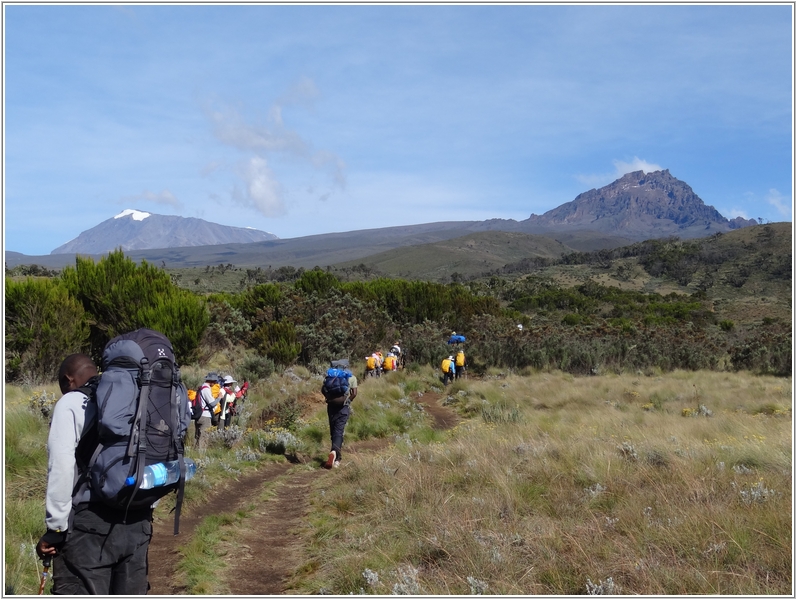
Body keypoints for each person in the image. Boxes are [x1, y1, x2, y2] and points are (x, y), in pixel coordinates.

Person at [36, 354, 154, 595]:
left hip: (90, 526)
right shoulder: (137, 398)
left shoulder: (72, 403)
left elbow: (61, 466)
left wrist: (56, 529)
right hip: (138, 519)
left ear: (68, 380)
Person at [325, 360, 358, 469]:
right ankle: (335, 455)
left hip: (331, 406)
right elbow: (354, 393)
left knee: (333, 431)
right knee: (339, 431)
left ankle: (336, 457)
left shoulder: (329, 376)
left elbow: (323, 389)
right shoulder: (351, 377)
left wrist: (328, 398)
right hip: (343, 408)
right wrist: (347, 401)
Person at [194, 372, 220, 449]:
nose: (215, 383)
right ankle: (201, 456)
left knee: (197, 436)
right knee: (204, 437)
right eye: (215, 381)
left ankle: (195, 454)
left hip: (198, 414)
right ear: (211, 381)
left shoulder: (201, 387)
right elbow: (212, 404)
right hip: (205, 416)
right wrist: (219, 398)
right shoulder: (206, 389)